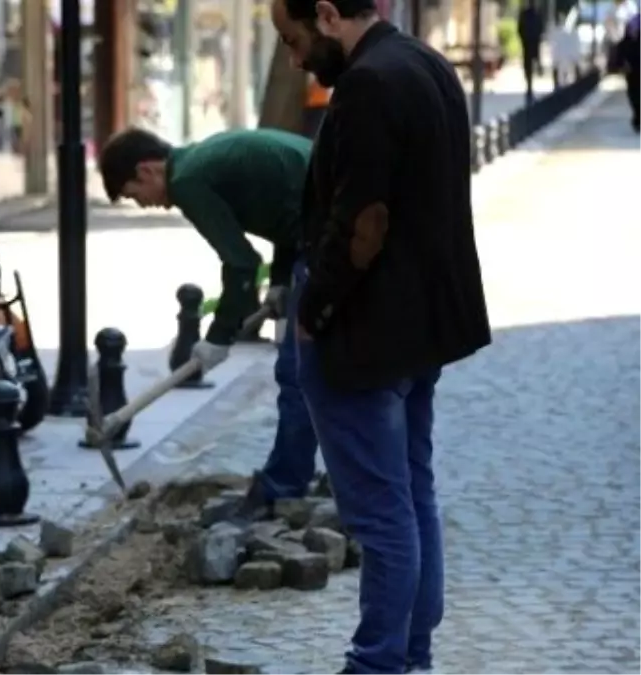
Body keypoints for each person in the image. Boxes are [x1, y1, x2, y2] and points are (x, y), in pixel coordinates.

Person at [270, 1, 491, 674]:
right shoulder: (425, 62)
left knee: (382, 516)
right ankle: (409, 656)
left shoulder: (368, 82)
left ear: (329, 15)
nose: (296, 57)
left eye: (295, 38)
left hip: (366, 334)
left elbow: (362, 218)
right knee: (411, 494)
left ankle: (379, 663)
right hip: (418, 327)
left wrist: (313, 306)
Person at [97, 127, 321, 514]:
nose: (144, 204)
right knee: (313, 371)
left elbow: (240, 263)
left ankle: (284, 486)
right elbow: (288, 206)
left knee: (296, 373)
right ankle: (312, 478)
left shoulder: (188, 181)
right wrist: (282, 282)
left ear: (148, 170)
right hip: (324, 229)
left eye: (136, 195)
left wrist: (218, 337)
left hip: (328, 238)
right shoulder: (203, 158)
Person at [517, 0, 544, 101]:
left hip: (528, 43)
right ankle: (529, 87)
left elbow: (520, 28)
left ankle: (529, 87)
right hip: (531, 42)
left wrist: (524, 38)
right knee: (530, 65)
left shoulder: (530, 14)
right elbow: (540, 28)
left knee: (528, 66)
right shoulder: (535, 14)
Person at [621, 10, 641, 131]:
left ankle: (638, 118)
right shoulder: (633, 21)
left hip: (633, 70)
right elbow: (622, 48)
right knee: (634, 95)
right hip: (632, 71)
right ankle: (638, 117)